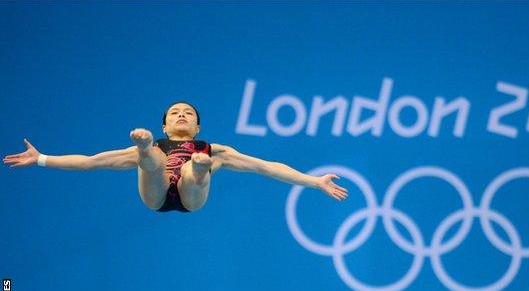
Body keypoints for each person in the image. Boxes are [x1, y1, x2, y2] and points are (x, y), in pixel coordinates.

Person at [2, 101, 349, 212]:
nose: (181, 114)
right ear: (166, 125)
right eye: (174, 112)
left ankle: (197, 169)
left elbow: (267, 168)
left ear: (197, 127)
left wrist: (314, 181)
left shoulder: (218, 150)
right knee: (149, 160)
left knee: (200, 167)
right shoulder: (156, 145)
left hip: (192, 192)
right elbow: (92, 161)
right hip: (154, 190)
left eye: (187, 113)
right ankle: (150, 151)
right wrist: (42, 158)